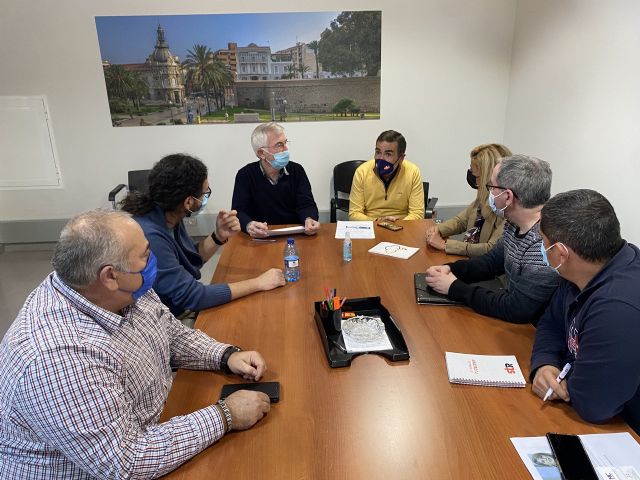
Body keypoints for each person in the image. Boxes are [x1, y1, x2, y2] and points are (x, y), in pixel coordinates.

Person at [0, 210, 271, 478]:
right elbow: (127, 462)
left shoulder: (126, 286)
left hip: (150, 427)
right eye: (145, 255)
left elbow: (169, 332)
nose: (152, 261)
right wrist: (225, 414)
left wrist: (224, 355)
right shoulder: (57, 358)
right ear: (109, 276)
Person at [530, 189, 640, 434]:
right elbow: (550, 322)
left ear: (561, 253)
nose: (542, 248)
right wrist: (545, 363)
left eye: (543, 242)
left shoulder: (618, 309)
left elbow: (594, 405)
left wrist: (567, 379)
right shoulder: (583, 270)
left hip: (623, 429)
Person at [121, 154, 284, 317]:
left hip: (173, 307)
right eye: (205, 193)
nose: (205, 196)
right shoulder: (150, 236)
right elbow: (193, 297)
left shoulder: (170, 215)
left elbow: (189, 262)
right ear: (188, 202)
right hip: (160, 318)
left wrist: (218, 236)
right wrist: (259, 283)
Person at [425, 154, 560, 324]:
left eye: (492, 187)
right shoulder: (514, 224)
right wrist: (450, 270)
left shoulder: (543, 247)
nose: (489, 192)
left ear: (508, 197)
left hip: (527, 334)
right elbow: (491, 262)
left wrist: (454, 288)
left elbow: (516, 310)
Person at [232, 122, 320, 238]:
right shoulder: (245, 175)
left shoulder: (296, 170)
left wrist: (309, 219)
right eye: (279, 145)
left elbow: (307, 204)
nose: (286, 148)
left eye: (285, 142)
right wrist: (249, 225)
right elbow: (239, 212)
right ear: (261, 153)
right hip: (260, 237)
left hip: (294, 235)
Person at [426, 143, 511, 256]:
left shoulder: (508, 210)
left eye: (477, 177)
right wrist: (438, 229)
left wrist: (445, 245)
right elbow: (461, 221)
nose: (475, 182)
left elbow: (491, 249)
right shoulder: (483, 199)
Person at [348, 130, 425, 222]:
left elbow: (417, 214)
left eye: (388, 154)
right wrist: (377, 221)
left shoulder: (413, 172)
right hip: (372, 224)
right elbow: (354, 214)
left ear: (401, 158)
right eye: (378, 152)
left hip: (403, 224)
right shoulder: (362, 172)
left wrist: (397, 224)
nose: (381, 158)